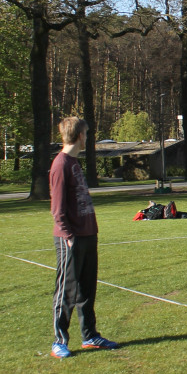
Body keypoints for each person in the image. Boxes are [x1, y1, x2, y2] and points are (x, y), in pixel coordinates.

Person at [50, 117, 118, 358]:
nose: (87, 138)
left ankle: (90, 335)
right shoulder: (60, 164)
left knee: (87, 290)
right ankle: (60, 341)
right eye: (86, 134)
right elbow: (57, 208)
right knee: (67, 290)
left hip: (88, 234)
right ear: (79, 135)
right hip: (71, 238)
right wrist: (68, 235)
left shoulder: (74, 163)